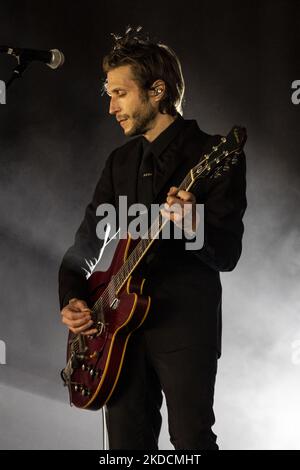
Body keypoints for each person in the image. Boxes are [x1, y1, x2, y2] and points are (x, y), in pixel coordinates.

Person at [59, 26, 247, 450]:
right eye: (109, 94)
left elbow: (228, 253)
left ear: (157, 90)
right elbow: (85, 248)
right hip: (117, 333)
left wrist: (193, 225)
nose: (111, 107)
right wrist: (72, 299)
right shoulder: (119, 162)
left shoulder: (213, 153)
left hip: (184, 326)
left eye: (120, 94)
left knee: (191, 441)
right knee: (126, 447)